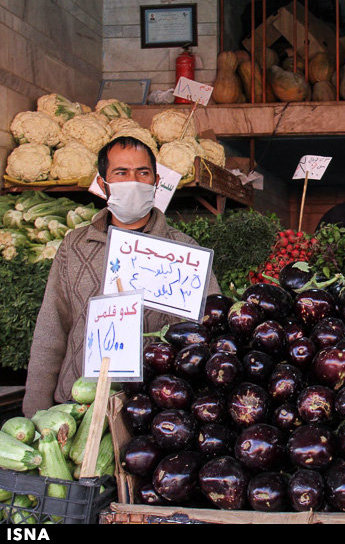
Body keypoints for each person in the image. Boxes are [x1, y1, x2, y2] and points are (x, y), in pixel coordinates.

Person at [22, 136, 221, 416]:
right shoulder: (75, 246)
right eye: (121, 173)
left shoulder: (185, 251)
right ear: (103, 184)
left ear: (156, 181)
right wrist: (36, 412)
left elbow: (211, 328)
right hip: (78, 404)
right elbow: (51, 329)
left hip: (155, 409)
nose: (133, 181)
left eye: (142, 172)